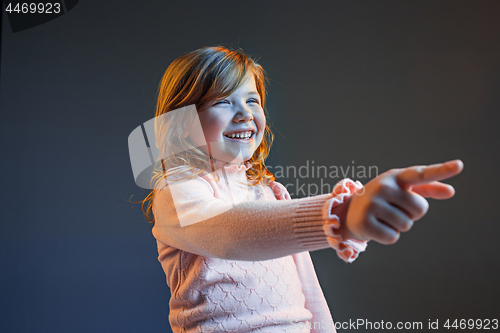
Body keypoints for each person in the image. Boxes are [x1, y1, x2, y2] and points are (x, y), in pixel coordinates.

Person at [139, 46, 463, 332]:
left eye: (252, 99)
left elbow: (309, 292)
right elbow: (231, 232)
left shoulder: (268, 192)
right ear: (183, 123)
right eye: (222, 101)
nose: (244, 114)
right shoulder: (177, 192)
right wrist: (341, 213)